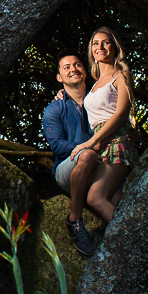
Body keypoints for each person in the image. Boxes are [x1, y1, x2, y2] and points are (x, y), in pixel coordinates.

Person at [73, 27, 138, 224]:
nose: (99, 47)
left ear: (115, 48)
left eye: (106, 42)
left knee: (95, 198)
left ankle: (129, 240)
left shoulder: (122, 76)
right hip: (102, 146)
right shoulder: (94, 84)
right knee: (115, 200)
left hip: (117, 142)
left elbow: (121, 114)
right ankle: (131, 236)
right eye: (95, 43)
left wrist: (90, 142)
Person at [42, 49, 100, 256]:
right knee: (87, 155)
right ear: (60, 77)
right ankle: (74, 220)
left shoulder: (99, 99)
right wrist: (88, 146)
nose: (73, 69)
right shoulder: (54, 109)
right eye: (67, 67)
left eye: (77, 65)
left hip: (102, 166)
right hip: (68, 168)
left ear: (85, 70)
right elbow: (57, 145)